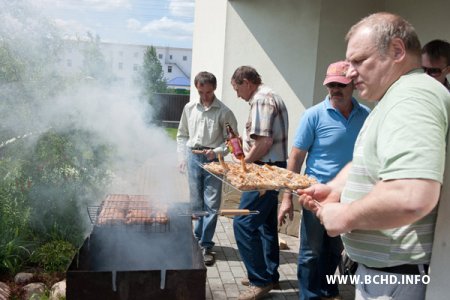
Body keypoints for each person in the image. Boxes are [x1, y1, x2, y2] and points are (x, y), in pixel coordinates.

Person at [299, 12, 450, 300]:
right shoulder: (396, 97)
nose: (349, 73)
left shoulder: (411, 98)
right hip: (390, 276)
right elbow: (371, 161)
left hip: (397, 279)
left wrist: (344, 216)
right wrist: (334, 189)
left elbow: (411, 195)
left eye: (358, 61)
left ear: (396, 50)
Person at [278, 61, 370, 300]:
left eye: (340, 84)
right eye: (331, 85)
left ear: (353, 85)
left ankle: (329, 290)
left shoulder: (367, 116)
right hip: (315, 197)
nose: (335, 90)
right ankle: (308, 295)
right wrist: (287, 197)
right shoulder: (313, 115)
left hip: (348, 197)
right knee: (311, 252)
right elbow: (296, 157)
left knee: (335, 250)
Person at [230, 66, 289, 300]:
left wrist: (243, 167)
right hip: (272, 168)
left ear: (247, 82)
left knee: (243, 223)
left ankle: (259, 280)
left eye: (237, 89)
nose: (237, 95)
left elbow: (263, 143)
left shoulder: (261, 100)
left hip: (264, 170)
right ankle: (270, 275)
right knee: (266, 225)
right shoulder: (272, 95)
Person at [177, 71, 238, 266]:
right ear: (197, 89)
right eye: (201, 92)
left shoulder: (224, 112)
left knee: (211, 203)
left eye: (208, 92)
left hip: (213, 160)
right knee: (196, 202)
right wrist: (181, 157)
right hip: (192, 157)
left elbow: (232, 142)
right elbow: (182, 135)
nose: (204, 96)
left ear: (214, 89)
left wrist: (217, 151)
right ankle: (195, 240)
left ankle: (206, 245)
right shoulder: (189, 108)